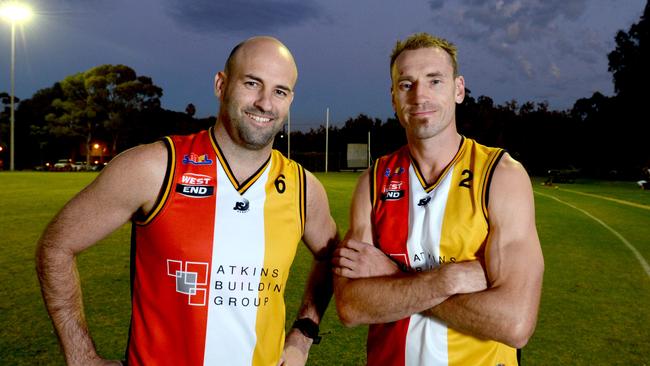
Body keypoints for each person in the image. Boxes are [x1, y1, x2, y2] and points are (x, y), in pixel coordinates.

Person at [36, 36, 338, 366]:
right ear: (221, 85)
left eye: (280, 91)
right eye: (252, 83)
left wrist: (304, 332)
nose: (265, 103)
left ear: (290, 99)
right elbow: (56, 246)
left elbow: (331, 256)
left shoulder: (302, 188)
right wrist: (82, 357)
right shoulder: (156, 168)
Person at [332, 33, 544, 365]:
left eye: (434, 81)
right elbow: (350, 306)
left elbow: (514, 323)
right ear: (393, 97)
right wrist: (451, 279)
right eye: (406, 84)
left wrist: (392, 276)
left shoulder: (500, 176)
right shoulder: (372, 182)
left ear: (458, 89)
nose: (420, 95)